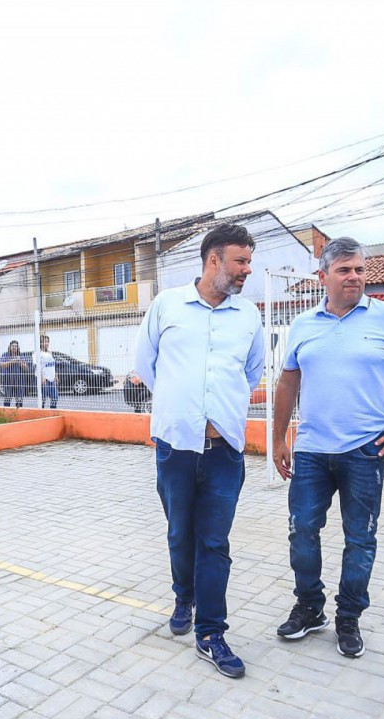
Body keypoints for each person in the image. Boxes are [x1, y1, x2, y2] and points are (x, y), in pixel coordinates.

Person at [271, 237, 384, 659]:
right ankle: (310, 608)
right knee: (302, 531)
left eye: (360, 269)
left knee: (359, 538)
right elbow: (289, 380)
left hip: (366, 449)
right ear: (323, 275)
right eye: (344, 270)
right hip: (310, 449)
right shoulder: (304, 324)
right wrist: (277, 438)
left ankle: (349, 616)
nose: (354, 277)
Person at [134, 223, 266, 679]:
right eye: (240, 261)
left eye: (248, 261)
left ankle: (211, 633)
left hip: (224, 450)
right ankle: (182, 596)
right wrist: (179, 407)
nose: (247, 270)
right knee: (179, 533)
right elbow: (145, 366)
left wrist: (216, 412)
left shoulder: (248, 315)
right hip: (175, 447)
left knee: (215, 542)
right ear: (214, 261)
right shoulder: (167, 305)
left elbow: (252, 374)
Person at [0, 340, 29, 408]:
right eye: (13, 346)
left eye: (16, 346)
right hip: (8, 378)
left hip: (19, 379)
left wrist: (19, 362)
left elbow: (26, 368)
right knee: (7, 397)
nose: (14, 347)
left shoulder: (21, 355)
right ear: (10, 347)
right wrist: (11, 362)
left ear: (18, 347)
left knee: (19, 398)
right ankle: (6, 412)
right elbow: (1, 365)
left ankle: (19, 412)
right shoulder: (5, 354)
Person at [36, 335, 59, 409]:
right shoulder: (37, 353)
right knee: (43, 399)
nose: (45, 343)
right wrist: (42, 377)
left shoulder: (50, 352)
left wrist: (56, 375)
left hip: (52, 378)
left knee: (54, 398)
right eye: (43, 342)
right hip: (44, 379)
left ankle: (52, 412)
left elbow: (53, 364)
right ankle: (41, 413)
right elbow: (36, 366)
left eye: (47, 342)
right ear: (40, 343)